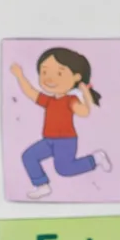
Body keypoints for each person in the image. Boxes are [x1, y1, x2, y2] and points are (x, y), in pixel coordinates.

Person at [9, 47, 111, 200]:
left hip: (66, 141)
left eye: (59, 73)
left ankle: (95, 159)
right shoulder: (49, 100)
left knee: (64, 169)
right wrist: (19, 75)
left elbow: (84, 112)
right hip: (48, 140)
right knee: (28, 156)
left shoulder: (70, 100)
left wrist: (86, 93)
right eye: (44, 72)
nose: (49, 78)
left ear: (76, 77)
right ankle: (42, 185)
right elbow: (30, 92)